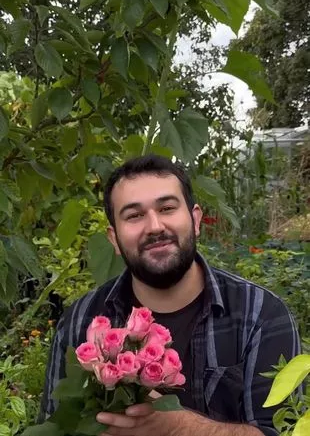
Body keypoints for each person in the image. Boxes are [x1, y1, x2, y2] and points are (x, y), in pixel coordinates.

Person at [40, 154, 301, 436]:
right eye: (134, 215)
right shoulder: (83, 321)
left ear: (195, 219)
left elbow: (284, 432)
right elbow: (54, 426)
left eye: (166, 208)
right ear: (114, 239)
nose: (154, 226)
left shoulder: (259, 315)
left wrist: (178, 427)